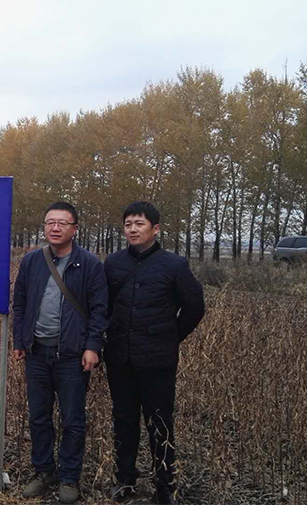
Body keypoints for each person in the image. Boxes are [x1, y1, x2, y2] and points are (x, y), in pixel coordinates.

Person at [104, 201, 205, 504]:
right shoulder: (113, 264)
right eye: (128, 224)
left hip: (157, 361)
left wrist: (169, 337)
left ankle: (165, 486)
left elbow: (194, 307)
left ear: (156, 228)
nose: (133, 230)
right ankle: (125, 480)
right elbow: (104, 306)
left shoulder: (174, 265)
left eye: (140, 224)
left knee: (159, 422)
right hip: (119, 358)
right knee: (123, 419)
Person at [12, 201, 109, 504]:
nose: (55, 228)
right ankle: (44, 472)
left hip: (72, 355)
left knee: (72, 420)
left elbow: (100, 309)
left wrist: (93, 346)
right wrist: (19, 341)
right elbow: (20, 302)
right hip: (37, 352)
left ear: (74, 229)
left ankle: (69, 476)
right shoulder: (32, 261)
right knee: (39, 417)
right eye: (49, 222)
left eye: (62, 223)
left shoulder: (89, 264)